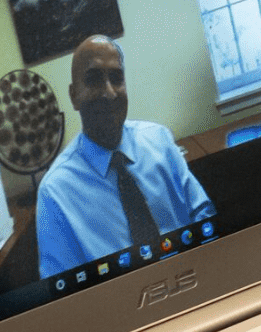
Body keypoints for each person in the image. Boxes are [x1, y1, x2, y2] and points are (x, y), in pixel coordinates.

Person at [35, 34, 214, 277]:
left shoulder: (159, 141)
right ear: (74, 95)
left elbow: (203, 213)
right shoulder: (55, 192)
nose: (109, 93)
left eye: (116, 78)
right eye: (94, 79)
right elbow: (63, 291)